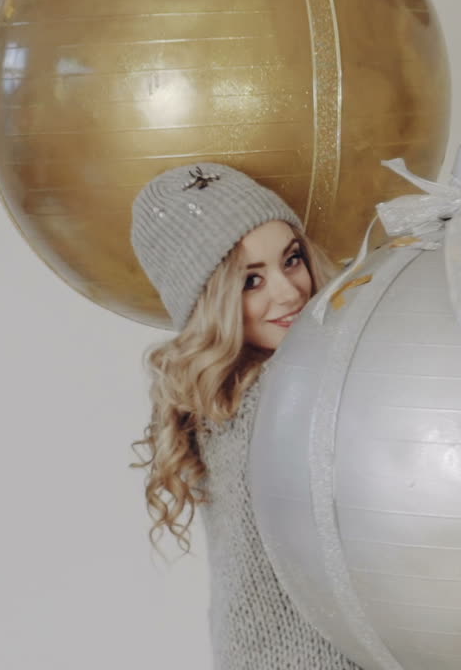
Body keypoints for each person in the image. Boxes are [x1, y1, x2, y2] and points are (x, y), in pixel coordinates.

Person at [129, 163, 362, 670]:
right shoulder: (275, 398)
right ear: (208, 304)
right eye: (251, 280)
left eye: (292, 260)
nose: (288, 291)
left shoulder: (219, 397)